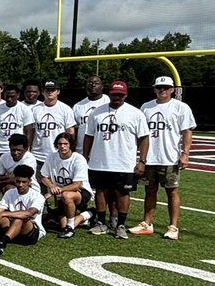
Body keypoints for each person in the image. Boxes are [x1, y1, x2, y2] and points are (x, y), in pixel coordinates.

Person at [82, 79, 150, 239]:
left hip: (124, 162)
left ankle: (120, 224)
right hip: (100, 161)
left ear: (125, 95)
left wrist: (142, 161)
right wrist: (85, 157)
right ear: (109, 94)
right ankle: (100, 222)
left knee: (123, 193)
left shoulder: (135, 113)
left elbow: (144, 138)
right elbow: (88, 136)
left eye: (120, 95)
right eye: (114, 94)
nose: (116, 97)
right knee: (100, 192)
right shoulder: (96, 112)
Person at [134, 76, 197, 240]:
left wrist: (185, 153)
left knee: (172, 191)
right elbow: (140, 133)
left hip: (169, 156)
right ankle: (147, 223)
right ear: (154, 89)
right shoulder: (146, 107)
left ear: (172, 89)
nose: (162, 90)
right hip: (150, 157)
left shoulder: (181, 107)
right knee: (149, 190)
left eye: (166, 87)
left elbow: (187, 131)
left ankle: (173, 226)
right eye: (159, 87)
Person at [41, 132, 92, 239]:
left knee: (67, 196)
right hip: (62, 193)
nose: (62, 146)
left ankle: (70, 228)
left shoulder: (78, 159)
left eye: (65, 144)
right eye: (60, 144)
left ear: (71, 145)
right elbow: (43, 176)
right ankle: (89, 214)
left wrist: (57, 190)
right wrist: (51, 186)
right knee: (61, 225)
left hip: (81, 192)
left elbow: (77, 185)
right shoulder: (52, 157)